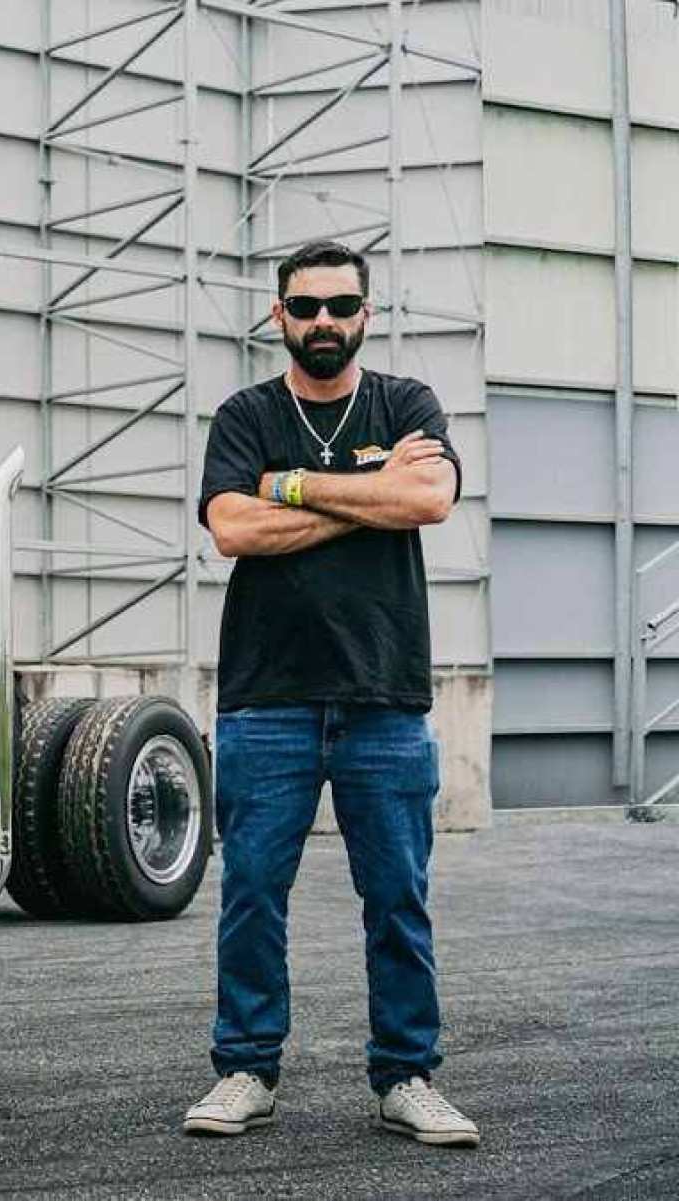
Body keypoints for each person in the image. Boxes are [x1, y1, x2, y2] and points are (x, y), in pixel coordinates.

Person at [180, 241, 479, 1148]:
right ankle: (245, 1068)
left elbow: (428, 500)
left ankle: (407, 1075)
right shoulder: (244, 414)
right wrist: (365, 490)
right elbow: (232, 526)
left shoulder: (406, 404)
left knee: (397, 896)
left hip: (385, 697)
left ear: (365, 313)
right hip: (266, 698)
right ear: (279, 316)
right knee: (252, 895)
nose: (322, 322)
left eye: (340, 306)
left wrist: (295, 485)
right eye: (304, 307)